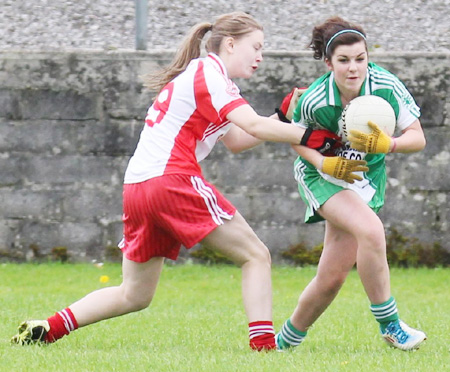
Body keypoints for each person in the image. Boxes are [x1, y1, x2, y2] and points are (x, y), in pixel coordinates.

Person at [11, 12, 356, 351]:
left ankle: (50, 327)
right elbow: (253, 126)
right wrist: (313, 136)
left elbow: (237, 139)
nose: (261, 57)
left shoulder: (204, 77)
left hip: (137, 187)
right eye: (257, 47)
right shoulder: (211, 74)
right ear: (231, 44)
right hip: (171, 179)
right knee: (256, 256)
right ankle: (265, 346)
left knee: (135, 294)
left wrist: (281, 117)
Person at [275, 16, 427, 352]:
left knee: (331, 279)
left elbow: (418, 138)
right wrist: (324, 161)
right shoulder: (315, 99)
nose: (353, 68)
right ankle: (392, 327)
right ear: (328, 63)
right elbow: (294, 137)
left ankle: (281, 345)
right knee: (371, 231)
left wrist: (390, 145)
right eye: (343, 61)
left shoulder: (386, 86)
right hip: (321, 174)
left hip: (365, 179)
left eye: (360, 58)